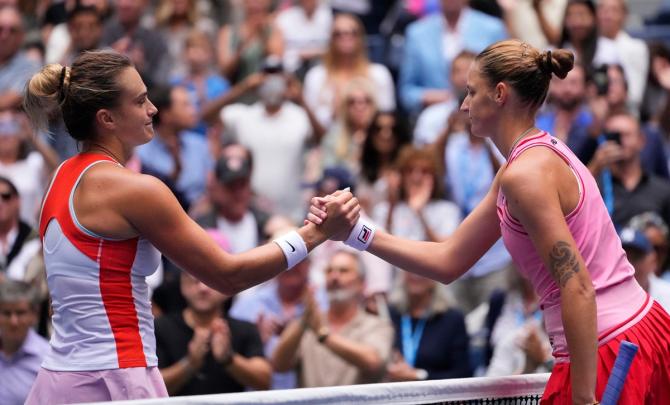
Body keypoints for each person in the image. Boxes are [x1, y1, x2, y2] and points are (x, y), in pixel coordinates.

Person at [309, 39, 670, 404]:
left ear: (499, 94)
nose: (464, 104)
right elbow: (449, 260)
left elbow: (578, 287)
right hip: (634, 332)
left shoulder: (524, 175)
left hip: (606, 350)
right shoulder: (526, 162)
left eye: (470, 92)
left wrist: (583, 397)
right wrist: (355, 233)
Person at [21, 50, 359, 403]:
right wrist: (316, 233)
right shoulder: (135, 189)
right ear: (107, 118)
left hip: (57, 381)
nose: (153, 109)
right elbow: (228, 276)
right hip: (116, 379)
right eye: (140, 101)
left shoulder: (59, 178)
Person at [271, 249, 393, 388]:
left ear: (362, 284)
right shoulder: (309, 321)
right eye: (329, 271)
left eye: (344, 271)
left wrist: (324, 335)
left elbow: (373, 363)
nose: (334, 277)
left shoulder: (376, 325)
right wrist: (304, 322)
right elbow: (279, 365)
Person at [155, 271, 271, 395]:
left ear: (227, 287)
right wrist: (189, 363)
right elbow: (152, 386)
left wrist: (229, 358)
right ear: (183, 285)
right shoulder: (160, 327)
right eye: (195, 281)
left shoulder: (245, 329)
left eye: (211, 282)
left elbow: (264, 380)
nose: (203, 288)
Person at [0, 280, 49, 405]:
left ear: (34, 315)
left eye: (20, 313)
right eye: (6, 313)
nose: (13, 321)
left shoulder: (47, 360)